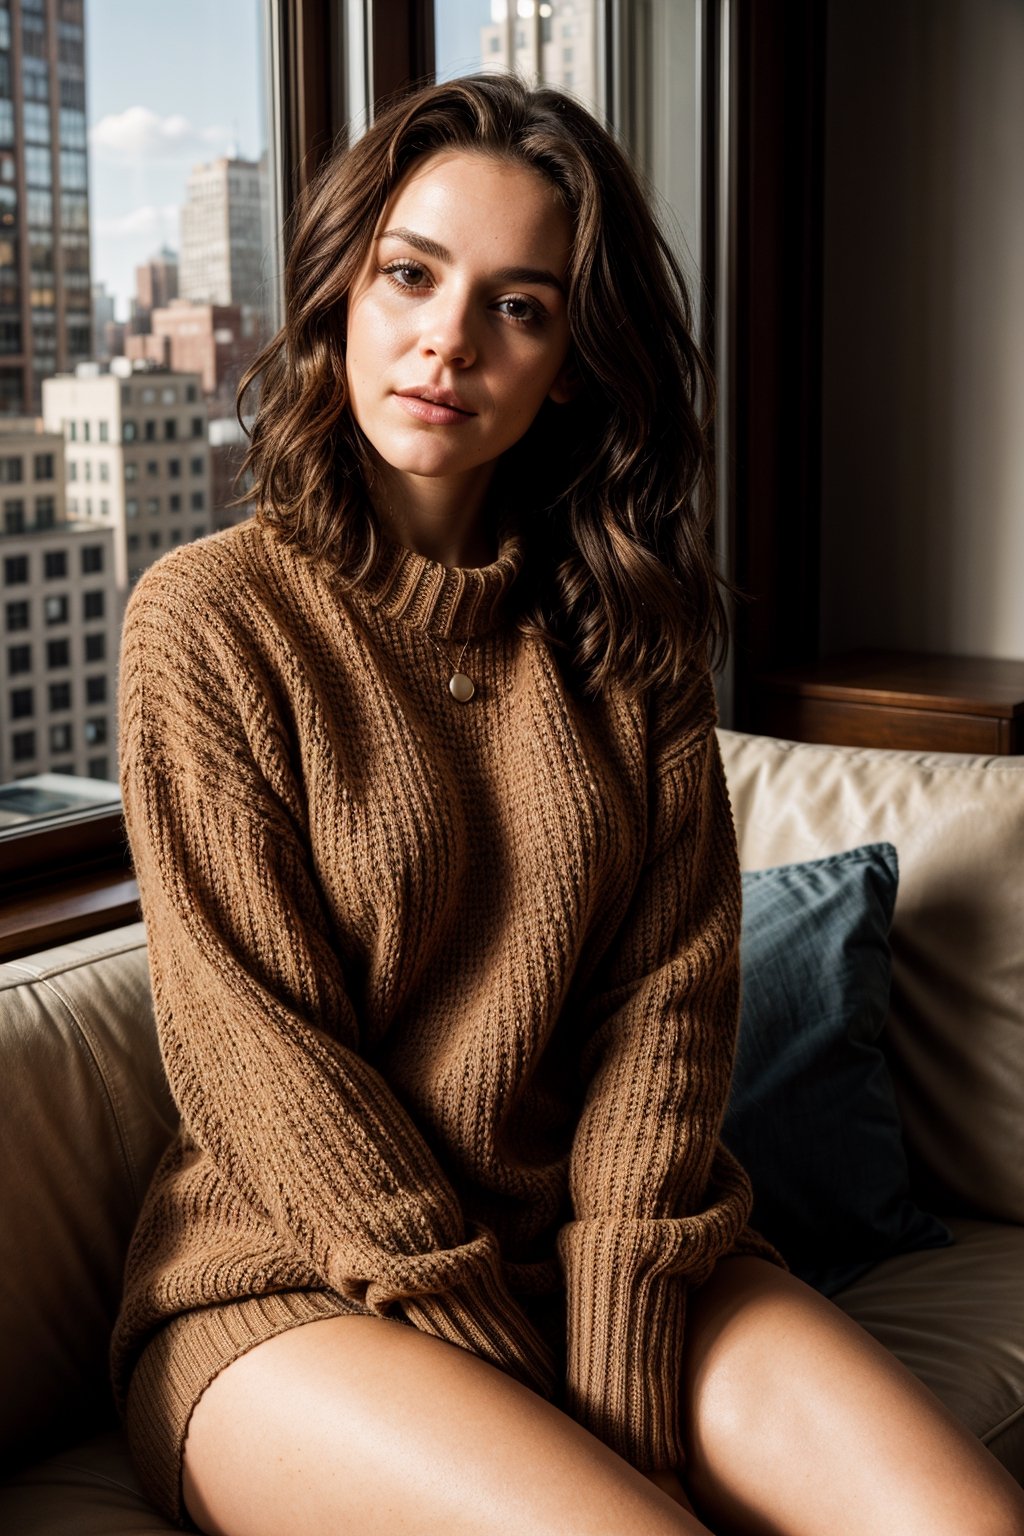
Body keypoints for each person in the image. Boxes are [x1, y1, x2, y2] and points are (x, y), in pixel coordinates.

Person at [112, 74, 1024, 1536]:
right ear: (345, 286)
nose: (447, 340)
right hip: (293, 1284)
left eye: (520, 307)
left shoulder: (626, 638)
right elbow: (263, 1064)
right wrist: (500, 1361)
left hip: (622, 1256)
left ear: (575, 369)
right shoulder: (210, 622)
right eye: (412, 274)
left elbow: (668, 1018)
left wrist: (615, 1353)